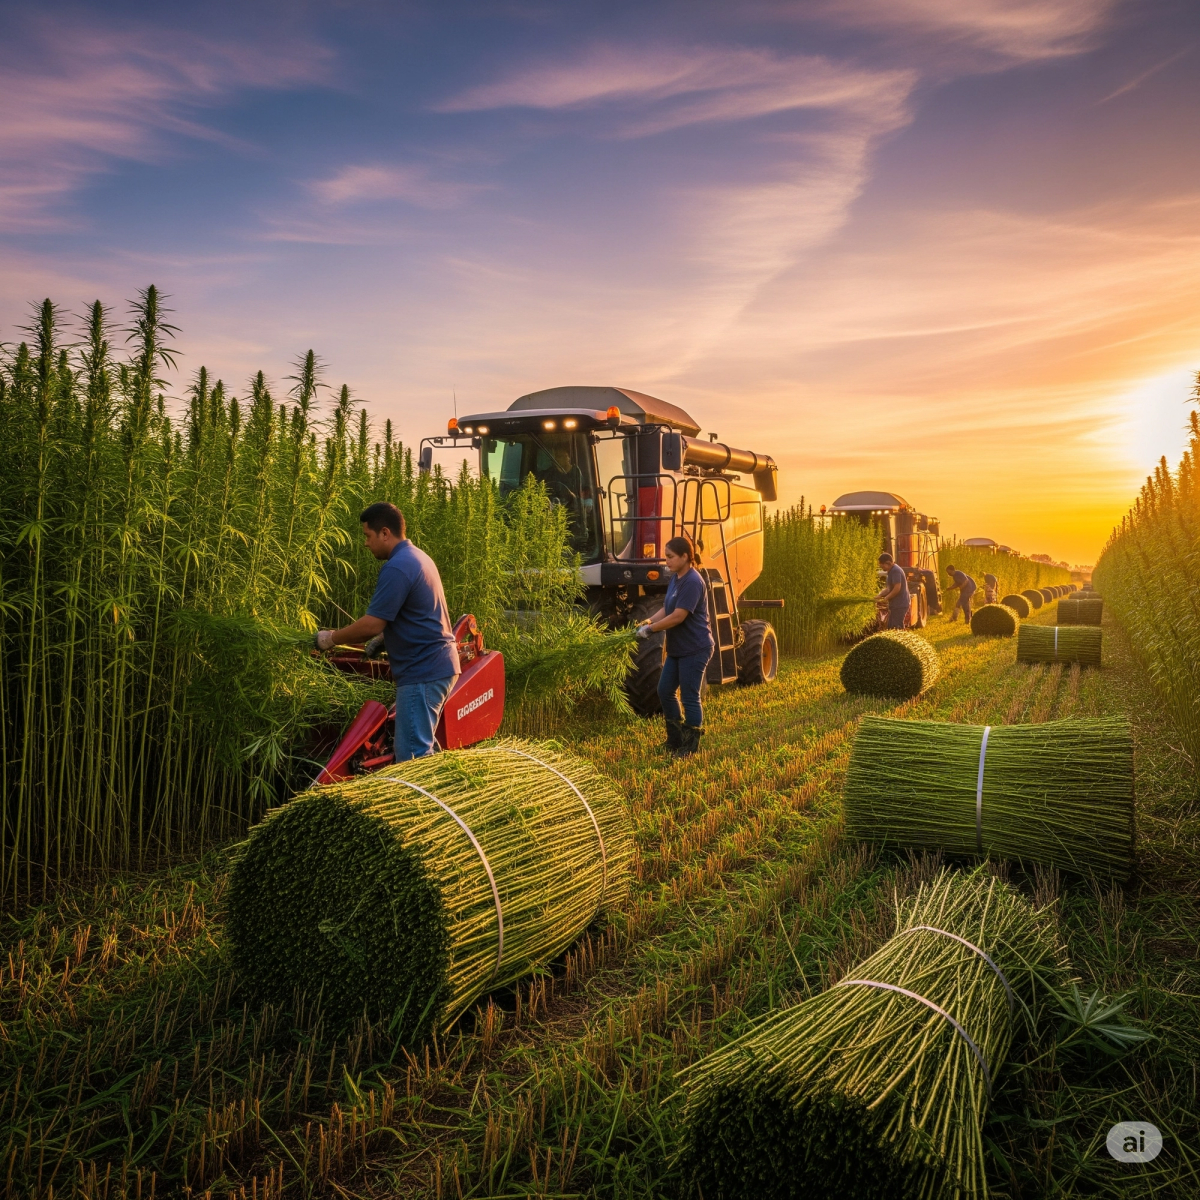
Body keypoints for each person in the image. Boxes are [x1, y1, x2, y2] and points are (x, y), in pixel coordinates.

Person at [315, 502, 460, 760]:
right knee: (424, 750)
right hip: (437, 667)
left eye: (367, 536)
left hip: (423, 671)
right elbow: (418, 613)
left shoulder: (398, 566)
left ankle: (425, 800)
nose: (365, 543)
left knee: (411, 757)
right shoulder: (418, 557)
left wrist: (331, 639)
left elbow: (371, 624)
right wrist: (387, 637)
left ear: (385, 533)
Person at [636, 535, 714, 757]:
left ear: (685, 556)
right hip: (678, 648)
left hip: (695, 648)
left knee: (689, 696)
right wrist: (648, 620)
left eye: (670, 557)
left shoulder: (692, 581)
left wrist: (651, 630)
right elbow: (668, 608)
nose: (666, 561)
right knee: (665, 690)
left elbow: (678, 616)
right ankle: (675, 739)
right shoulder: (677, 578)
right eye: (665, 556)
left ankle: (689, 747)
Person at [874, 552, 910, 630]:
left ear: (888, 563)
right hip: (895, 604)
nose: (881, 566)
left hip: (900, 604)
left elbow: (897, 588)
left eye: (882, 564)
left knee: (896, 627)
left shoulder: (895, 571)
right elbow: (888, 589)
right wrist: (879, 595)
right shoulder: (891, 571)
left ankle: (901, 641)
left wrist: (886, 598)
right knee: (891, 627)